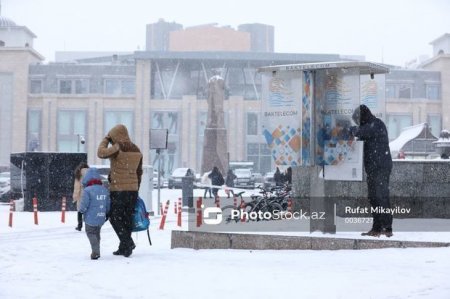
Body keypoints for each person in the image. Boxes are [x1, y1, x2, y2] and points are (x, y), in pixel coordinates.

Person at [97, 124, 143, 257]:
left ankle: (128, 242)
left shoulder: (118, 148)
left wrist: (106, 139)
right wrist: (136, 188)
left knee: (114, 217)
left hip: (119, 190)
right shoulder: (136, 149)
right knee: (127, 218)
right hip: (132, 191)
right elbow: (139, 172)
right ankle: (124, 248)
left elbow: (101, 153)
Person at [350, 105, 393, 237]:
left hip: (380, 167)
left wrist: (346, 129)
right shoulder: (370, 126)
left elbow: (358, 131)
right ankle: (377, 228)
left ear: (363, 117)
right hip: (373, 168)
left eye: (358, 120)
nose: (357, 123)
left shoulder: (376, 124)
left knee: (380, 196)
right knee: (374, 198)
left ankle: (387, 227)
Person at [78, 167, 111, 260]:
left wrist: (81, 211)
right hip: (101, 216)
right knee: (97, 233)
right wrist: (107, 213)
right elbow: (108, 203)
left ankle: (96, 251)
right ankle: (96, 249)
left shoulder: (87, 190)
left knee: (90, 233)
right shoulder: (104, 189)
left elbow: (84, 204)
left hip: (90, 217)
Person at [72, 162, 89, 231]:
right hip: (90, 193)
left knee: (80, 210)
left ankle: (80, 226)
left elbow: (77, 187)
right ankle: (89, 226)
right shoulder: (91, 173)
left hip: (81, 194)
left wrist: (75, 197)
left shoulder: (78, 174)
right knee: (89, 210)